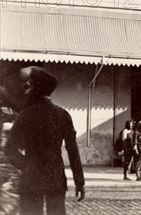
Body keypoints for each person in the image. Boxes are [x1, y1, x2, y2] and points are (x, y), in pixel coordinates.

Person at [5, 66, 85, 215]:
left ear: (36, 89)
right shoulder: (63, 115)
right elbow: (73, 150)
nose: (26, 90)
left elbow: (9, 150)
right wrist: (79, 182)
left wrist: (27, 165)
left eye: (28, 87)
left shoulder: (25, 115)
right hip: (55, 178)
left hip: (31, 180)